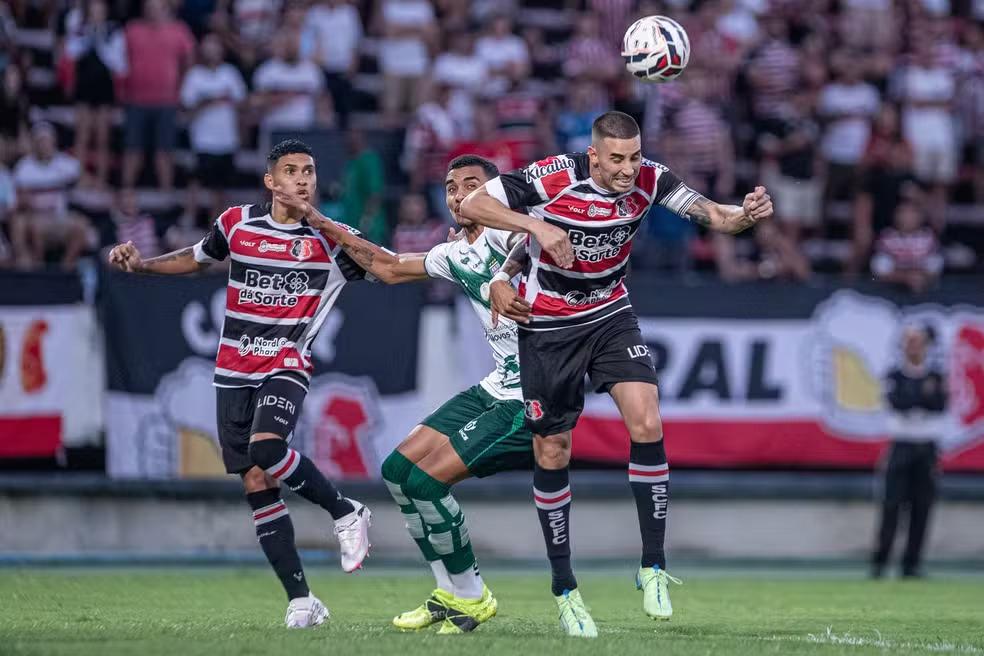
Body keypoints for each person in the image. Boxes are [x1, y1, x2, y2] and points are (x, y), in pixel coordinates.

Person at [462, 111, 773, 636]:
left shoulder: (650, 177)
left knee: (647, 422)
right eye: (617, 159)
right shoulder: (553, 176)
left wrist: (745, 214)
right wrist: (535, 226)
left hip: (609, 313)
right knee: (553, 450)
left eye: (633, 157)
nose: (628, 169)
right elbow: (474, 203)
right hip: (549, 325)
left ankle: (653, 566)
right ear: (594, 156)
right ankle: (565, 590)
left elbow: (715, 216)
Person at [106, 139, 372, 629]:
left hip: (287, 361)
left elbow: (385, 265)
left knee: (269, 450)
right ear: (270, 181)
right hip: (232, 369)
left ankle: (346, 510)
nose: (302, 179)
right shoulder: (237, 223)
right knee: (255, 480)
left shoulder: (332, 238)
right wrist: (143, 265)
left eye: (309, 171)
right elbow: (199, 256)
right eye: (290, 171)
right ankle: (301, 601)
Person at [273, 154, 530, 635]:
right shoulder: (454, 253)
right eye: (452, 187)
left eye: (473, 185)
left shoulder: (514, 236)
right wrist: (316, 219)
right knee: (397, 471)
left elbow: (543, 236)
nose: (459, 195)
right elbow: (388, 267)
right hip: (498, 385)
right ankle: (448, 593)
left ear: (498, 194)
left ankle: (473, 597)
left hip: (532, 398)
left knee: (427, 483)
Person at [872, 325, 947, 579]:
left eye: (918, 342)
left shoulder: (936, 376)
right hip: (901, 445)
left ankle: (911, 564)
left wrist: (917, 399)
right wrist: (920, 398)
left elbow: (939, 405)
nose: (914, 347)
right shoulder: (894, 375)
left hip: (926, 447)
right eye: (909, 342)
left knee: (922, 507)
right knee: (891, 505)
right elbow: (898, 403)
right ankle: (881, 561)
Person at [179, 33, 247, 223]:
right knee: (196, 182)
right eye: (208, 46)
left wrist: (241, 135)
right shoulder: (194, 76)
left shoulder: (230, 73)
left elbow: (241, 105)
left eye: (215, 46)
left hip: (227, 139)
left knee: (220, 186)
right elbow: (186, 108)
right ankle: (189, 219)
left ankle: (215, 225)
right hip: (202, 140)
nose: (212, 51)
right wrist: (208, 101)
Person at [10, 122, 88, 270]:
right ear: (34, 144)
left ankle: (65, 266)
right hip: (35, 217)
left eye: (47, 141)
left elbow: (85, 180)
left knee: (81, 225)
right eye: (40, 142)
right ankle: (39, 267)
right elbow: (18, 199)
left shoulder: (66, 164)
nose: (44, 145)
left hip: (60, 218)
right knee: (33, 226)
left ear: (54, 142)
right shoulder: (24, 167)